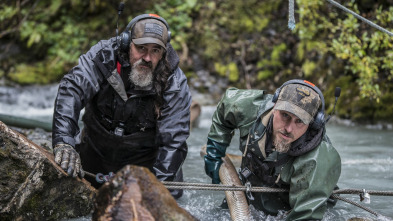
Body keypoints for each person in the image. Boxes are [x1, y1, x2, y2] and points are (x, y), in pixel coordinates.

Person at [52, 13, 191, 199]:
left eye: (155, 50)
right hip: (95, 153)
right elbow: (72, 89)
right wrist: (63, 141)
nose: (148, 58)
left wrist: (159, 192)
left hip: (146, 166)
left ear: (164, 52)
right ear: (127, 44)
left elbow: (174, 141)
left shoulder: (174, 81)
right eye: (141, 48)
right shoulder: (104, 56)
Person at [204, 79, 341, 220]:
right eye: (285, 115)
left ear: (313, 123)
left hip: (295, 208)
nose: (288, 128)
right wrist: (215, 150)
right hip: (249, 193)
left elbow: (305, 216)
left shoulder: (317, 159)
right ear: (274, 106)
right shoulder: (251, 108)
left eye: (299, 121)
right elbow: (226, 104)